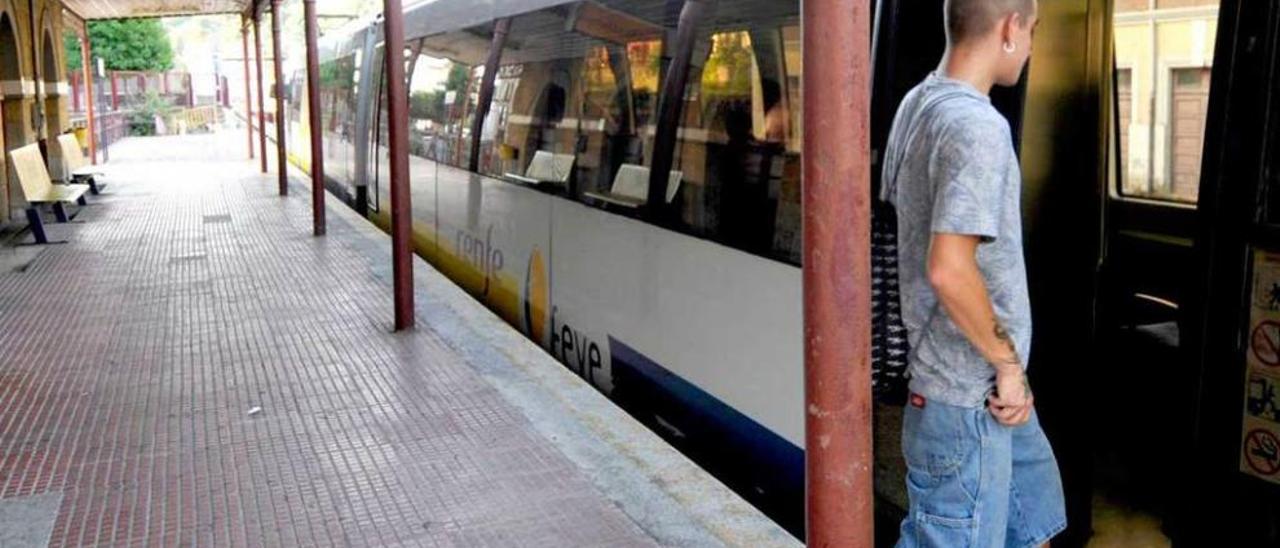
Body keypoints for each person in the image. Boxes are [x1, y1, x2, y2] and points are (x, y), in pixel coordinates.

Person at [879, 0, 1066, 546]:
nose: (1030, 47)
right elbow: (948, 269)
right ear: (1011, 28)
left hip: (991, 394)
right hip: (968, 397)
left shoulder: (918, 103)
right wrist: (1007, 365)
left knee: (1035, 529)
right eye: (1032, 32)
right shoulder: (977, 127)